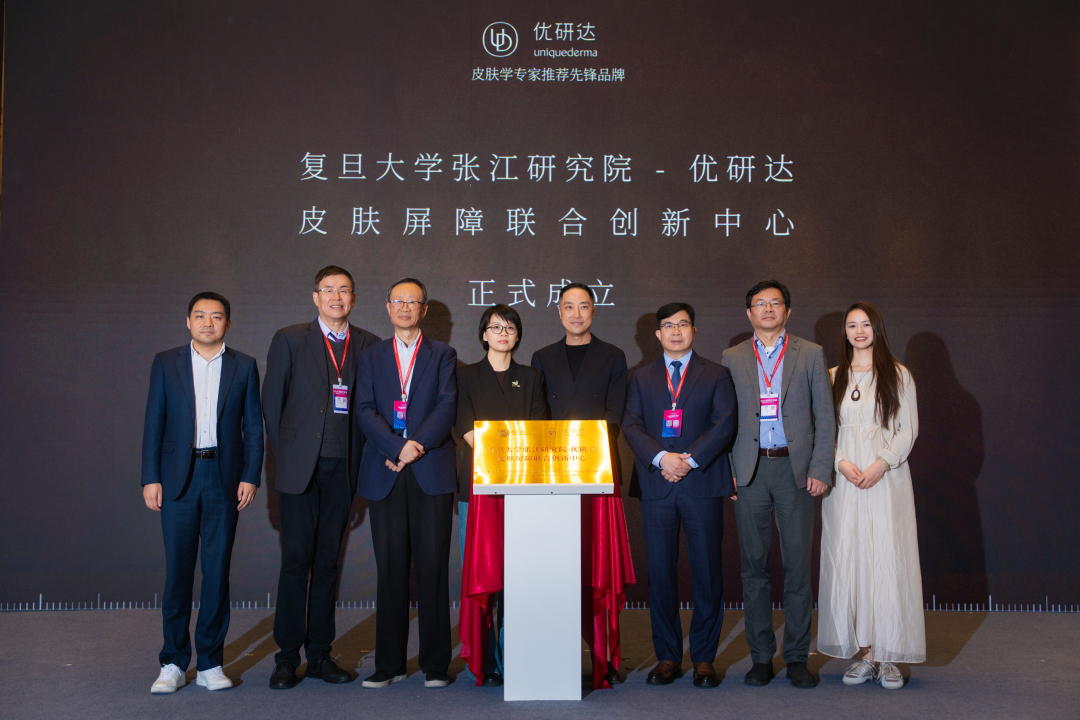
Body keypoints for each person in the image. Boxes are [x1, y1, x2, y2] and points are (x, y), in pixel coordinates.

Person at [262, 266, 380, 689]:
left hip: (342, 468)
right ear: (316, 297)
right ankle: (285, 657)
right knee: (296, 561)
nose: (336, 297)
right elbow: (271, 405)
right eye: (328, 290)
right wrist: (289, 460)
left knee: (329, 562)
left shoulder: (368, 344)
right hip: (300, 469)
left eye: (344, 290)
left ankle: (319, 655)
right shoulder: (290, 338)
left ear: (353, 298)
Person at [141, 292, 263, 694]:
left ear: (227, 323)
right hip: (178, 477)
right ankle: (173, 662)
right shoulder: (166, 362)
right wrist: (150, 477)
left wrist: (251, 475)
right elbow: (154, 422)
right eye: (200, 315)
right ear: (188, 321)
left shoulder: (244, 365)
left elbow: (253, 427)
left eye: (216, 316)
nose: (208, 323)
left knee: (216, 572)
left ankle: (211, 662)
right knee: (178, 572)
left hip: (223, 477)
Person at [721, 280, 836, 689]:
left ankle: (798, 657)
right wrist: (729, 469)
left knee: (797, 567)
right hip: (750, 471)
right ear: (749, 313)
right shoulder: (732, 356)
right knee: (753, 567)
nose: (768, 309)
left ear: (787, 311)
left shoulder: (811, 353)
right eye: (760, 303)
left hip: (796, 471)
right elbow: (724, 419)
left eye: (775, 303)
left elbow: (826, 415)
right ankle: (760, 657)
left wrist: (820, 468)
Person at [623, 303, 736, 688]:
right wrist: (662, 459)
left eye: (682, 325)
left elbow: (724, 425)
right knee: (660, 573)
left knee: (707, 571)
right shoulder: (640, 377)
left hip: (701, 482)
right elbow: (632, 425)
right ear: (657, 334)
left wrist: (688, 461)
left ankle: (704, 658)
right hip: (657, 484)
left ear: (694, 330)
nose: (675, 331)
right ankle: (668, 656)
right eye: (668, 326)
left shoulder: (717, 374)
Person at [530, 282, 636, 689]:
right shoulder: (542, 357)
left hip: (595, 471)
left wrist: (580, 448)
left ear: (594, 311)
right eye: (569, 307)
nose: (577, 314)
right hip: (552, 472)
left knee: (597, 564)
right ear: (559, 312)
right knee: (556, 565)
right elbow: (538, 415)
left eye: (584, 307)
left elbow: (615, 415)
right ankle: (554, 654)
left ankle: (604, 657)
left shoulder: (613, 356)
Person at [355, 278, 458, 689]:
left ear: (424, 309)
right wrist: (396, 447)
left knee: (433, 569)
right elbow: (364, 409)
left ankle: (435, 664)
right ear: (387, 307)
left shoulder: (443, 354)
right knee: (390, 569)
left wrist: (414, 447)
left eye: (412, 302)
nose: (405, 307)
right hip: (386, 470)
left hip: (430, 468)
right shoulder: (371, 354)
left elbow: (447, 405)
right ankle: (389, 664)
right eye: (398, 301)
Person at [818, 302, 924, 690]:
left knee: (888, 557)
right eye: (852, 325)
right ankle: (865, 655)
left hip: (886, 480)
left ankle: (889, 655)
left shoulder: (898, 374)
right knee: (851, 559)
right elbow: (823, 430)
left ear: (877, 329)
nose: (859, 331)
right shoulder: (832, 376)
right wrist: (840, 462)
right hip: (845, 481)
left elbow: (907, 429)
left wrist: (882, 463)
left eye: (865, 324)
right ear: (844, 332)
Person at [458, 304, 549, 686]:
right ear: (483, 334)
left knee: (518, 578)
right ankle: (486, 662)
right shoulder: (464, 376)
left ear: (518, 335)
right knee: (483, 576)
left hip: (523, 487)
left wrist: (512, 459)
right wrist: (502, 452)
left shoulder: (531, 377)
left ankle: (515, 656)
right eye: (495, 327)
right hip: (477, 489)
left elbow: (538, 429)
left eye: (509, 327)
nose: (503, 333)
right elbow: (466, 428)